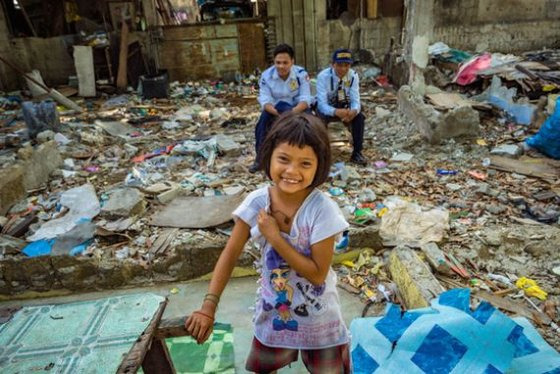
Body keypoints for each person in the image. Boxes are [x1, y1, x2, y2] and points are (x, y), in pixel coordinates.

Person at [185, 112, 351, 373]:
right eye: (283, 159)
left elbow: (318, 274)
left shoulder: (323, 211)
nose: (292, 171)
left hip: (320, 318)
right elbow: (229, 256)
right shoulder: (257, 202)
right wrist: (208, 306)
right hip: (274, 313)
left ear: (319, 166)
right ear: (268, 156)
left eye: (305, 164)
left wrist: (274, 237)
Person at [250, 44, 313, 173]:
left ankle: (310, 157)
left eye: (285, 62)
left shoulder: (301, 74)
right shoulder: (266, 76)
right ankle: (260, 159)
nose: (281, 66)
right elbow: (265, 100)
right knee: (261, 125)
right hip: (275, 109)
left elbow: (306, 99)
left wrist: (292, 112)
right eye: (278, 63)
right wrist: (277, 113)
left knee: (311, 125)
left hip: (297, 108)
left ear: (292, 62)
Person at [315, 48, 367, 165]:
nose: (343, 69)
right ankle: (321, 154)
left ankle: (357, 152)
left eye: (346, 65)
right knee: (319, 121)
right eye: (339, 65)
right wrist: (335, 112)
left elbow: (355, 99)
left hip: (345, 107)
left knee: (359, 118)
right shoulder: (323, 77)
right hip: (328, 108)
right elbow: (322, 104)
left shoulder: (353, 76)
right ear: (332, 64)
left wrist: (353, 111)